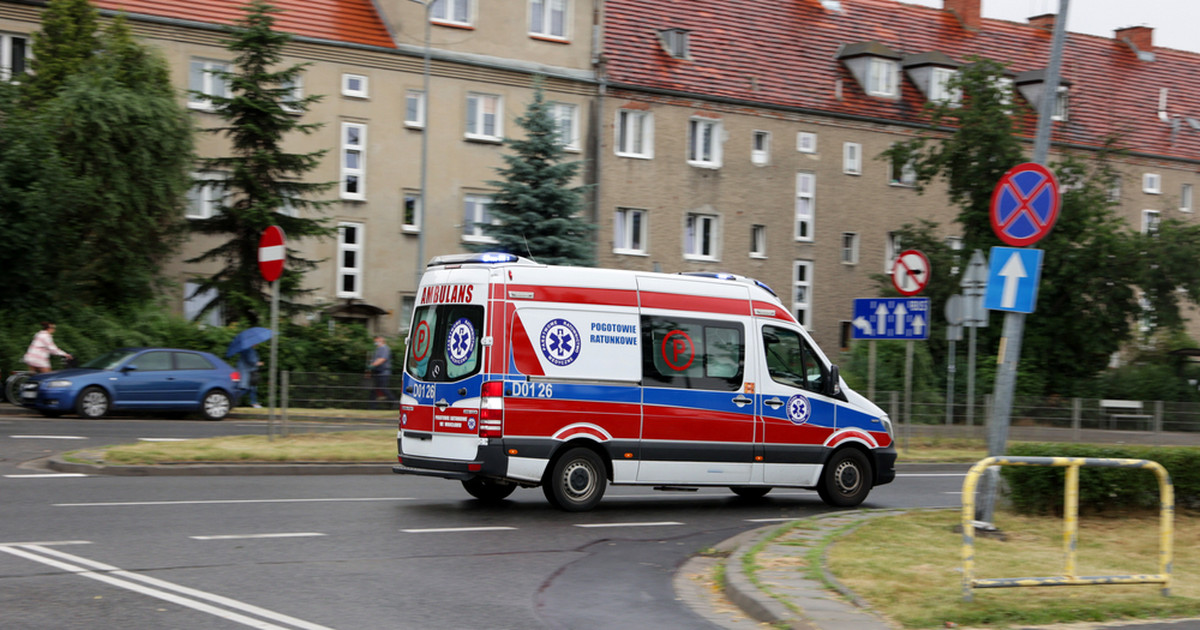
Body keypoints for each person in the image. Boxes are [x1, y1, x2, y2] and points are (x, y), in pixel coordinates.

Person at [368, 335, 398, 409]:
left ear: (381, 340)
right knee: (375, 390)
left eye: (376, 340)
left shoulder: (385, 348)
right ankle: (372, 407)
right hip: (378, 372)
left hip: (383, 372)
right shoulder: (378, 349)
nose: (375, 342)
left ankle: (394, 402)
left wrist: (373, 365)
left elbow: (382, 359)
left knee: (382, 388)